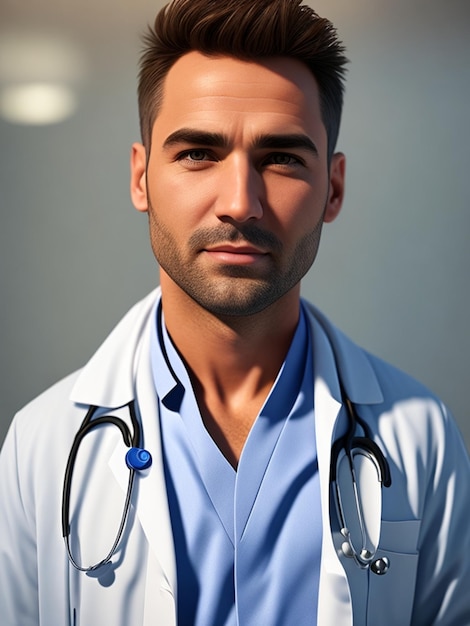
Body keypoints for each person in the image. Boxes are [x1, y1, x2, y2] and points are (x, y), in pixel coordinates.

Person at [0, 0, 469, 624]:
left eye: (281, 158)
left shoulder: (420, 438)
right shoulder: (40, 445)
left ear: (333, 188)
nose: (240, 203)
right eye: (198, 153)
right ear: (141, 178)